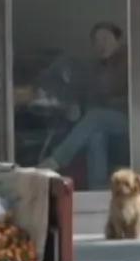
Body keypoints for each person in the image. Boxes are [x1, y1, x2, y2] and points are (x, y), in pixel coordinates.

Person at [39, 23, 132, 188]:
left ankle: (56, 160)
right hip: (108, 130)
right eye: (97, 41)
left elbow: (110, 91)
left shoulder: (130, 61)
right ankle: (98, 190)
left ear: (118, 40)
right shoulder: (96, 67)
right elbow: (89, 96)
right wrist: (75, 106)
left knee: (96, 117)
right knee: (96, 134)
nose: (101, 44)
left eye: (106, 38)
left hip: (134, 128)